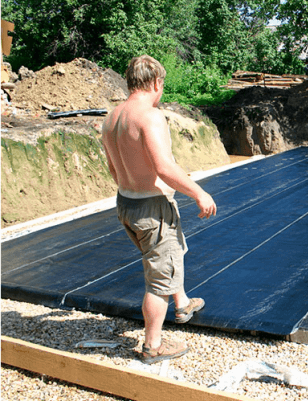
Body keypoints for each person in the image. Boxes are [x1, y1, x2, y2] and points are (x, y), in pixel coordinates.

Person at [101, 55, 216, 364]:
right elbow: (164, 167)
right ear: (156, 82)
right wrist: (199, 193)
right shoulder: (149, 117)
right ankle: (152, 346)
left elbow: (113, 169)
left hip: (126, 203)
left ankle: (183, 303)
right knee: (159, 279)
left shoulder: (111, 118)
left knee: (166, 254)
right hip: (152, 207)